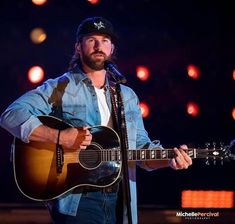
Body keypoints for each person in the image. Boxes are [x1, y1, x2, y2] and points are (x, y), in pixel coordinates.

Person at [0, 16, 192, 224]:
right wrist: (60, 136)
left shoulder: (127, 96)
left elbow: (141, 150)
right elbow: (11, 115)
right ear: (78, 47)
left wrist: (169, 160)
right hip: (78, 200)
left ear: (112, 49)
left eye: (105, 40)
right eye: (92, 39)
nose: (99, 46)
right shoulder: (60, 87)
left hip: (121, 199)